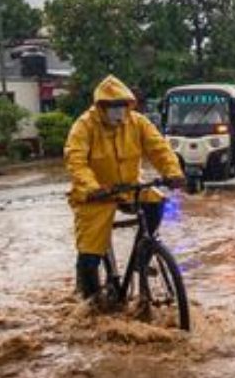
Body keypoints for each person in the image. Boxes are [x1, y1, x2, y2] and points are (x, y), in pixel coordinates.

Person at [63, 75, 184, 300]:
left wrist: (173, 173)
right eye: (112, 106)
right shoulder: (84, 126)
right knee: (90, 256)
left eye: (122, 105)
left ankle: (143, 256)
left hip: (130, 186)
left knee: (156, 202)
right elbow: (75, 160)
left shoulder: (138, 122)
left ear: (128, 105)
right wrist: (92, 187)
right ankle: (91, 303)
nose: (118, 111)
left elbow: (159, 149)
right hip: (95, 195)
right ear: (100, 106)